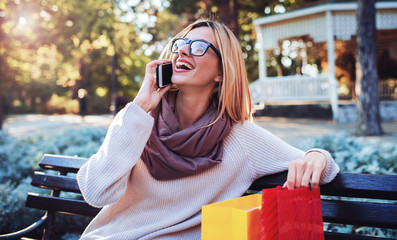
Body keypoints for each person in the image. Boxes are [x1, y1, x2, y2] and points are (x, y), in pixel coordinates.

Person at [77, 19, 339, 239]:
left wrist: (316, 155)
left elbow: (320, 166)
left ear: (222, 73)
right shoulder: (139, 120)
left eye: (199, 47)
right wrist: (140, 105)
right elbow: (97, 191)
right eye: (180, 45)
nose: (183, 52)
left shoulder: (241, 138)